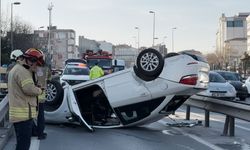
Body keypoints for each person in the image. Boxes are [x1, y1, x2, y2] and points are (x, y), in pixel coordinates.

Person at [8, 48, 45, 150]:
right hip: (23, 115)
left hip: (20, 114)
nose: (37, 67)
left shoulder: (18, 68)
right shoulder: (23, 71)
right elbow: (28, 89)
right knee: (23, 145)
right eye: (36, 64)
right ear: (31, 61)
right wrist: (39, 90)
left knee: (21, 143)